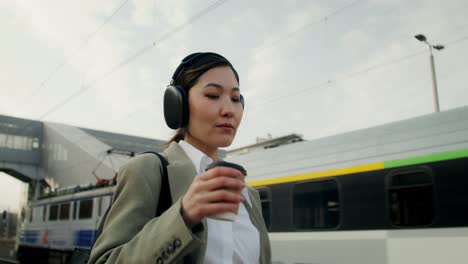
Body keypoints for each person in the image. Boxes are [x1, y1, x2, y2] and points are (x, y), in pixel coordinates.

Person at [88, 52, 271, 263]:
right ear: (178, 104)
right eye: (212, 95)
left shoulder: (248, 195)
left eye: (236, 99)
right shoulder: (147, 170)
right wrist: (183, 216)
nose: (230, 109)